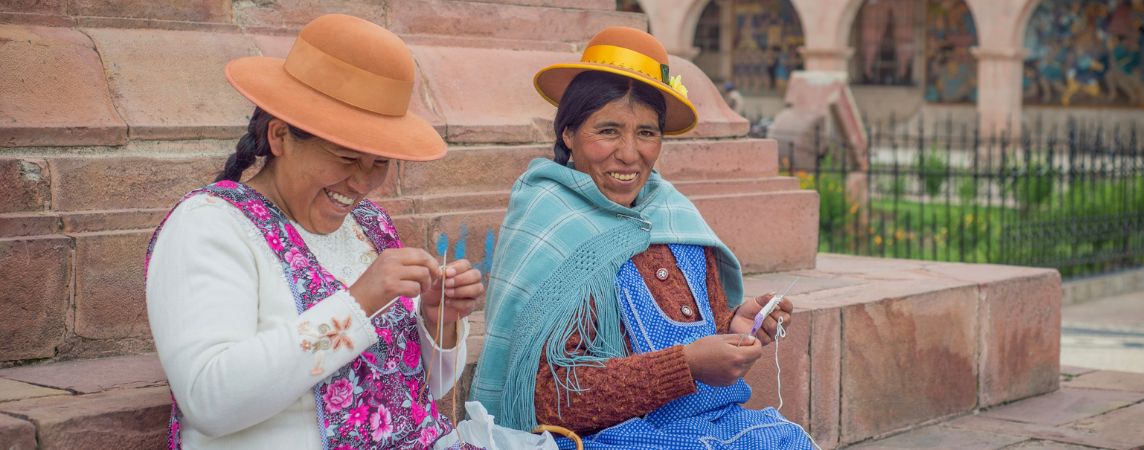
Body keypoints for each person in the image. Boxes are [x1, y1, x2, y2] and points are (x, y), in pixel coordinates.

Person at [145, 14, 485, 449]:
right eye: (346, 158)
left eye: (379, 163)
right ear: (281, 137)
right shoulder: (209, 226)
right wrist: (360, 302)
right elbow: (210, 401)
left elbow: (420, 391)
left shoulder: (370, 226)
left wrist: (439, 322)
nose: (362, 183)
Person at [471, 26, 818, 449]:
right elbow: (549, 398)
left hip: (709, 424)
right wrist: (685, 365)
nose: (631, 154)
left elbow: (695, 324)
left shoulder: (672, 215)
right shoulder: (550, 225)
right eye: (608, 131)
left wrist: (735, 322)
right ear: (568, 134)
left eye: (647, 133)